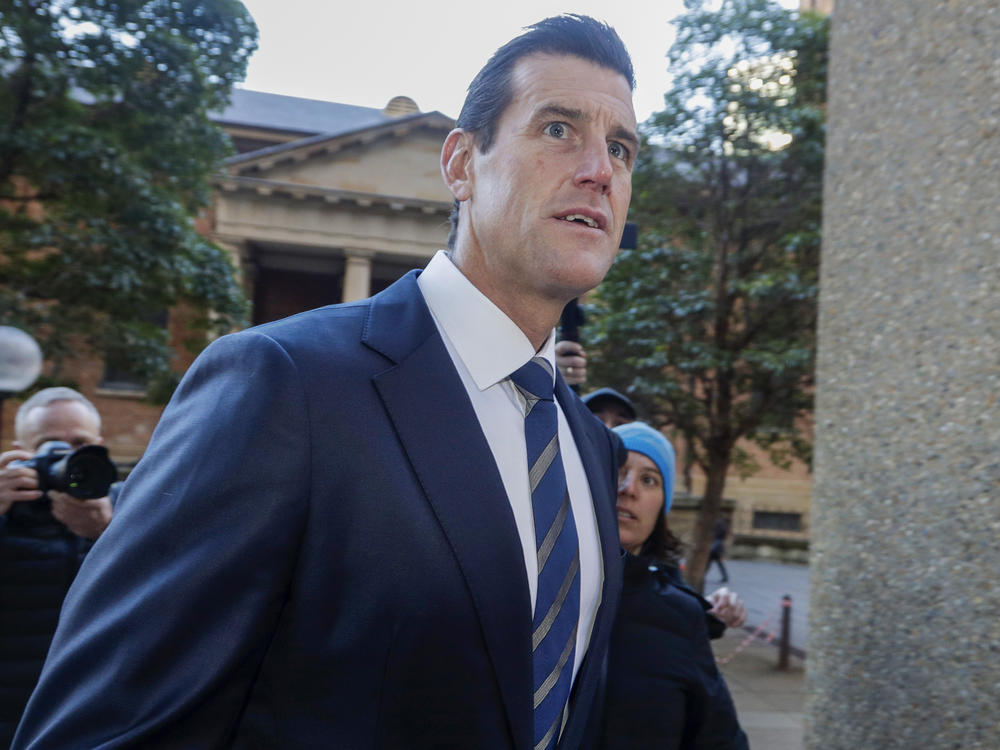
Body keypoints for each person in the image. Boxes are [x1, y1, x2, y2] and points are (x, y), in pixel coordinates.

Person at [13, 15, 637, 750]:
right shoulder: (279, 384)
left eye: (622, 147)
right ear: (461, 164)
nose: (600, 168)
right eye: (559, 129)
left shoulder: (590, 446)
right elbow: (98, 730)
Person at [599, 421, 748, 749]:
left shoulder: (680, 617)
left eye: (649, 479)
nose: (629, 488)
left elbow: (719, 738)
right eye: (617, 471)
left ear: (662, 508)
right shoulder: (536, 594)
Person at [0, 387, 114, 747]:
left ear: (97, 445)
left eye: (79, 443)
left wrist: (108, 533)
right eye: (50, 444)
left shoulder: (126, 510)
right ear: (22, 451)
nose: (66, 456)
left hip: (92, 714)